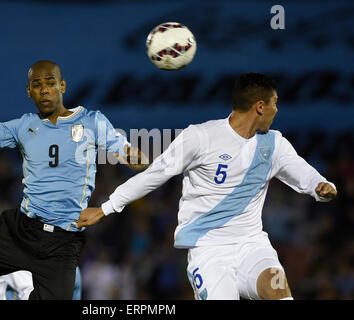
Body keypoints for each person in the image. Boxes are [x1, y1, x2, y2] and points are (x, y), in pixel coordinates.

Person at [77, 73, 338, 300]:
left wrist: (320, 185)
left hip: (253, 246)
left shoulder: (274, 144)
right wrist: (106, 208)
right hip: (209, 252)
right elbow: (155, 174)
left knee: (280, 292)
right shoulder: (200, 137)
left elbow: (302, 172)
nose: (277, 110)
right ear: (260, 106)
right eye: (275, 103)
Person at [0, 60, 146, 300]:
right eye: (37, 85)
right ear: (28, 91)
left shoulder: (92, 122)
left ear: (62, 86)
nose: (44, 90)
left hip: (62, 244)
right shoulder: (23, 126)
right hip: (20, 229)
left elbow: (130, 155)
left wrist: (147, 159)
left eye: (50, 83)